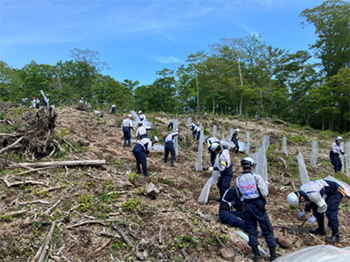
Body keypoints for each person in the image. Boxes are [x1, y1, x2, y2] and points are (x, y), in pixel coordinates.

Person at [236, 157, 277, 262]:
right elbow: (264, 193)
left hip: (247, 206)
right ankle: (273, 255)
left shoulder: (238, 179)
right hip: (258, 206)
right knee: (267, 229)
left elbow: (240, 195)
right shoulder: (256, 177)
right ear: (252, 166)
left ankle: (256, 255)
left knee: (251, 230)